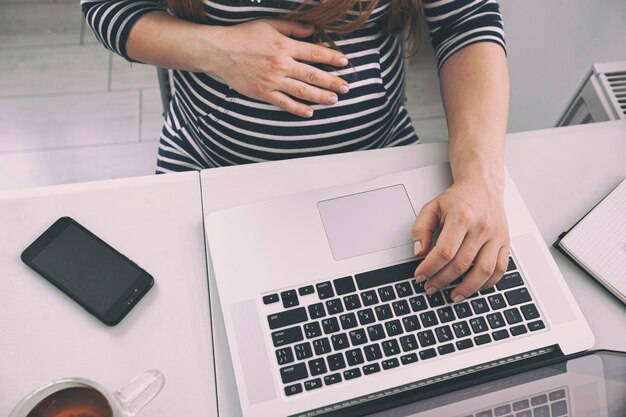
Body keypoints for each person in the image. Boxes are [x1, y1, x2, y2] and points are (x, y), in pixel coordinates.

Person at [82, 0, 510, 302]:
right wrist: (219, 50)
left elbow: (467, 19)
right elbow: (107, 7)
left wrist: (480, 179)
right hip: (205, 163)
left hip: (376, 159)